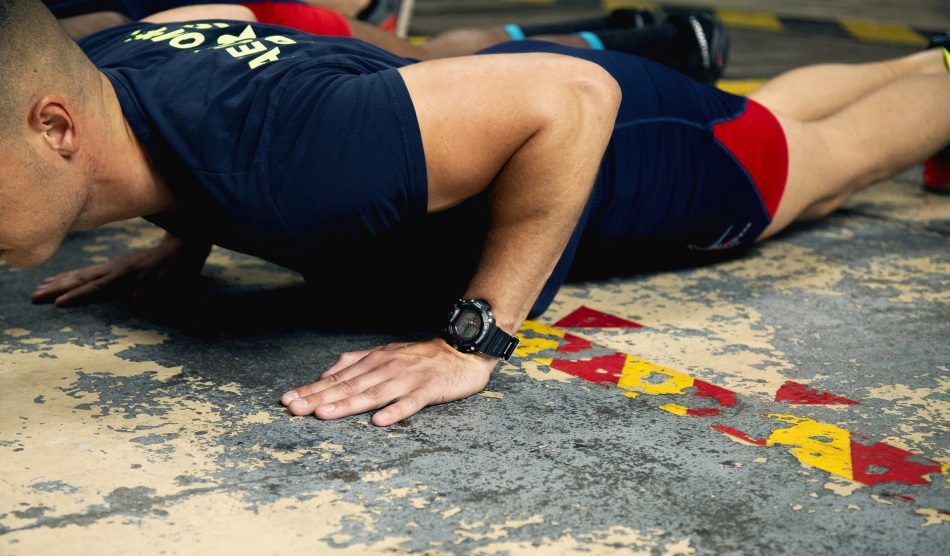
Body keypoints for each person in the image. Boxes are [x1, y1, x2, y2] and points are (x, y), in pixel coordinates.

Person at [4, 0, 949, 427]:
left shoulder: (301, 155)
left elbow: (569, 99)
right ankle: (928, 56)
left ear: (55, 127)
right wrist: (185, 238)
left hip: (628, 146)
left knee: (819, 163)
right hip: (493, 109)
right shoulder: (112, 72)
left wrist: (472, 340)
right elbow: (228, 34)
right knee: (778, 117)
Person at [46, 1, 730, 84]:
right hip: (235, 21)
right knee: (442, 54)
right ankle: (627, 34)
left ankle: (669, 45)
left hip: (246, 28)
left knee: (446, 63)